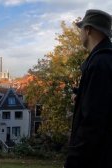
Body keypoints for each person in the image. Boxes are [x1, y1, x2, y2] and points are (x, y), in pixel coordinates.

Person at [65, 9, 112, 168]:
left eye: (81, 29)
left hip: (96, 158)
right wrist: (83, 95)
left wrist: (73, 160)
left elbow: (92, 122)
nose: (80, 34)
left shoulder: (99, 64)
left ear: (89, 29)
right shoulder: (105, 60)